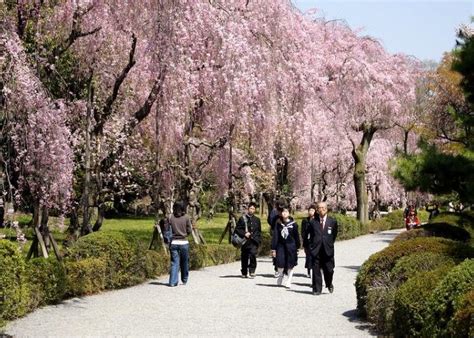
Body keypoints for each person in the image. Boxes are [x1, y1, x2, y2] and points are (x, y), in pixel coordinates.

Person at [308, 202, 338, 295]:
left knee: (329, 269)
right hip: (316, 249)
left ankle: (329, 283)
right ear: (317, 210)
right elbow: (310, 236)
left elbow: (334, 235)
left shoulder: (332, 221)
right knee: (316, 269)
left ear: (327, 209)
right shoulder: (313, 222)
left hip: (328, 249)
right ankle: (317, 289)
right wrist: (311, 247)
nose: (322, 209)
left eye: (323, 207)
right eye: (319, 208)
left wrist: (328, 243)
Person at [271, 204, 300, 288]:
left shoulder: (293, 224)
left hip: (291, 246)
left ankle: (289, 279)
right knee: (280, 262)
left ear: (289, 213)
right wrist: (273, 248)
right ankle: (280, 275)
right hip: (280, 246)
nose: (284, 213)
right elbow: (275, 236)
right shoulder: (278, 224)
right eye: (283, 211)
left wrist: (297, 247)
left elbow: (296, 236)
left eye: (286, 211)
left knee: (290, 263)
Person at [167, 201, 193, 287]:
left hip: (174, 242)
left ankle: (172, 282)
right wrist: (185, 234)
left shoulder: (170, 217)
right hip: (184, 242)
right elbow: (189, 230)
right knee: (184, 262)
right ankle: (184, 279)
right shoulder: (186, 217)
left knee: (174, 262)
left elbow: (168, 229)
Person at [234, 202, 262, 278]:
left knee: (253, 255)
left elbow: (259, 231)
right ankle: (244, 271)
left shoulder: (257, 220)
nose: (252, 210)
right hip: (245, 241)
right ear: (248, 209)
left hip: (254, 241)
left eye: (253, 209)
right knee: (244, 256)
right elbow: (237, 229)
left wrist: (259, 240)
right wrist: (244, 233)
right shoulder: (242, 219)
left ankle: (252, 270)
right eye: (250, 208)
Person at [267, 198, 286, 277]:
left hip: (284, 233)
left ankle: (282, 268)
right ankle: (276, 268)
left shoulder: (285, 211)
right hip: (276, 233)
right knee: (276, 250)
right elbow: (270, 221)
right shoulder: (274, 212)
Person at [301, 204, 317, 278]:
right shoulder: (305, 220)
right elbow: (303, 231)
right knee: (308, 256)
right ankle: (308, 271)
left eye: (312, 210)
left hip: (315, 242)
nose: (311, 212)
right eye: (310, 210)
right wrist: (304, 239)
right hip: (307, 242)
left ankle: (314, 270)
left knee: (314, 257)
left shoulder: (317, 220)